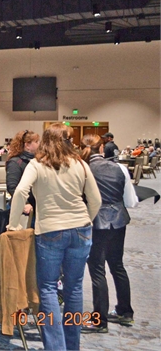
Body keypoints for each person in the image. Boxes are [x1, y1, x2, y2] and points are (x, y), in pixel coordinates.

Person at [8, 123, 101, 351]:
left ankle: (56, 347)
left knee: (48, 288)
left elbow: (20, 191)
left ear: (46, 141)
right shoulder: (80, 164)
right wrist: (86, 220)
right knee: (74, 288)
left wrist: (13, 224)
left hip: (50, 231)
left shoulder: (37, 164)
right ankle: (72, 346)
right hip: (81, 230)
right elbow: (96, 200)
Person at [80, 134, 137, 333]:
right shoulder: (119, 168)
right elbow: (130, 201)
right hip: (119, 221)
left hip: (96, 222)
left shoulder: (83, 169)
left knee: (97, 270)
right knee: (117, 266)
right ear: (102, 148)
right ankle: (125, 312)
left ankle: (99, 321)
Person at [6, 130, 40, 215]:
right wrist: (25, 203)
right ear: (27, 145)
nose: (39, 144)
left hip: (37, 207)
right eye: (36, 142)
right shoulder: (15, 162)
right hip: (23, 209)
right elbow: (12, 187)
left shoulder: (38, 161)